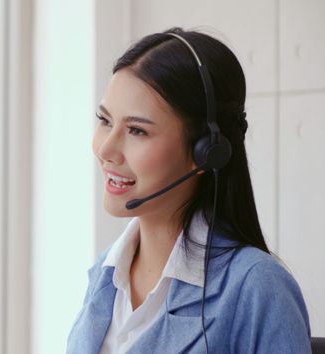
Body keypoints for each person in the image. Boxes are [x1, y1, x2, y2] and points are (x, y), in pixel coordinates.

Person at [66, 27, 311, 354]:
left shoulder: (256, 286)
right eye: (105, 120)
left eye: (137, 130)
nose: (107, 149)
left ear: (205, 151)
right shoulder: (104, 276)